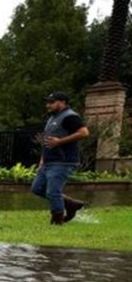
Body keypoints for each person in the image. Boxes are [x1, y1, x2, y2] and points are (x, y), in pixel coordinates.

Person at [32, 91, 90, 225]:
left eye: (51, 102)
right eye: (47, 102)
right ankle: (71, 204)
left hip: (63, 161)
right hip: (48, 161)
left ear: (62, 102)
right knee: (37, 188)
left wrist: (60, 141)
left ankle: (57, 221)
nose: (48, 105)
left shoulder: (70, 117)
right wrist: (42, 160)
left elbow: (84, 133)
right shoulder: (52, 118)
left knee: (53, 192)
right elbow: (47, 142)